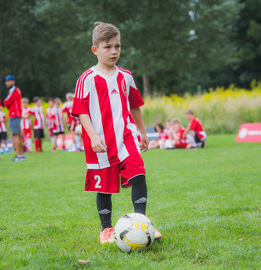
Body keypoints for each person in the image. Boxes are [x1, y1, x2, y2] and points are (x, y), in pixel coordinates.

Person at [71, 22, 161, 244]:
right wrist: (93, 136)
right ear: (95, 50)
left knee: (139, 174)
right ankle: (106, 229)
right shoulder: (87, 78)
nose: (114, 52)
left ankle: (142, 222)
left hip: (126, 136)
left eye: (117, 46)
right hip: (101, 142)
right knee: (105, 187)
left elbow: (134, 106)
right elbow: (81, 111)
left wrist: (142, 132)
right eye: (107, 47)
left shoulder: (126, 76)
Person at [3, 75, 25, 161]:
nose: (7, 83)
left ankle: (19, 155)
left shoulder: (13, 90)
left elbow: (6, 101)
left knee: (15, 136)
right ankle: (21, 155)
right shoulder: (15, 90)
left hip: (14, 114)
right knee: (18, 136)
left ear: (13, 81)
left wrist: (7, 104)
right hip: (17, 114)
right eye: (6, 81)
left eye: (8, 81)